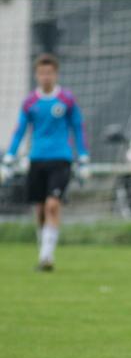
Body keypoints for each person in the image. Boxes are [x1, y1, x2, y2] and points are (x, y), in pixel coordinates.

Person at [1, 54, 90, 271]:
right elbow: (20, 130)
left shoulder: (67, 100)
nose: (46, 77)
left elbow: (78, 127)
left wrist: (84, 157)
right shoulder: (31, 102)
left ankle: (47, 257)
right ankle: (44, 251)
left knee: (53, 205)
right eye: (42, 73)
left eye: (49, 73)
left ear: (55, 74)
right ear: (36, 76)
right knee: (40, 209)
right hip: (37, 159)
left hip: (61, 159)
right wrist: (9, 156)